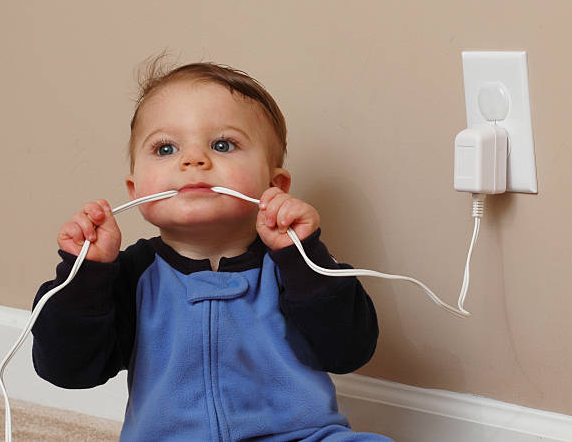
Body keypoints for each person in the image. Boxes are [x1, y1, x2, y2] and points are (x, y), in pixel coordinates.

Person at [31, 60, 393, 441]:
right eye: (166, 148)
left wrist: (303, 254)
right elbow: (66, 369)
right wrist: (86, 275)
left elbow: (350, 351)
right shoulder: (130, 276)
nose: (193, 160)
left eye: (223, 144)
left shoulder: (294, 263)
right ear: (136, 191)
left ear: (276, 185)